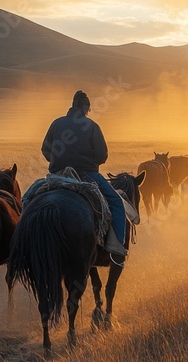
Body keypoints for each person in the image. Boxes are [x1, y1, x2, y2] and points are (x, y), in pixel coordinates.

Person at [41, 90, 128, 256]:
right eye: (88, 110)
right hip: (87, 175)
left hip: (58, 176)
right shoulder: (92, 126)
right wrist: (90, 163)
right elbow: (102, 155)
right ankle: (116, 247)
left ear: (72, 106)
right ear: (86, 108)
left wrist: (57, 162)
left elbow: (45, 149)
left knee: (28, 198)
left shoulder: (56, 123)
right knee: (116, 202)